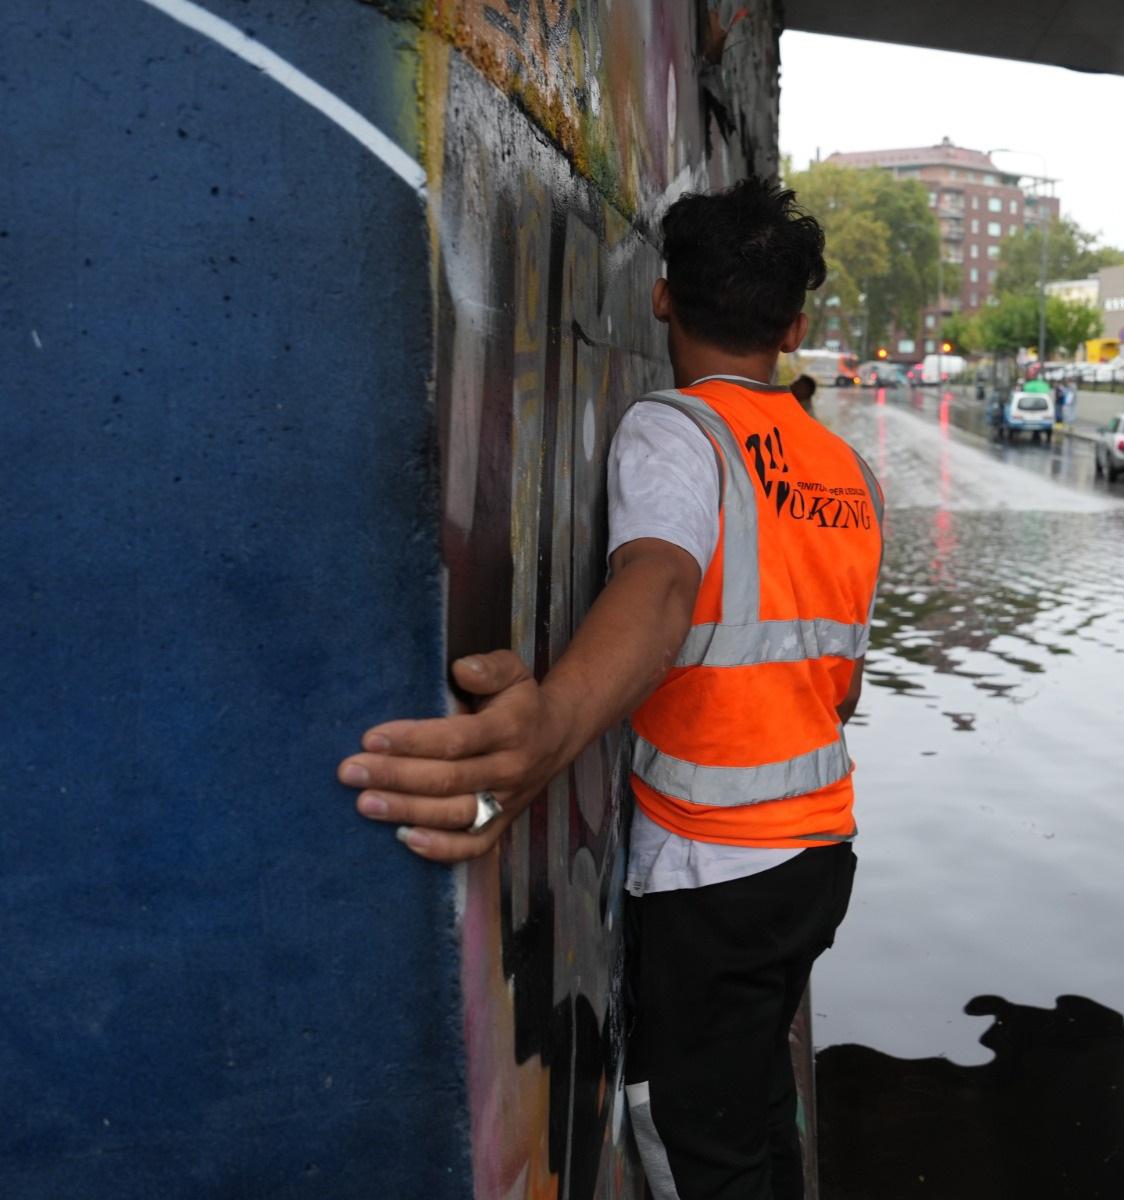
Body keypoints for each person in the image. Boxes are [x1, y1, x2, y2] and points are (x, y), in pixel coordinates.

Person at [336, 177, 881, 1200]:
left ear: (662, 298)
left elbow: (661, 581)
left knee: (694, 1140)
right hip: (819, 854)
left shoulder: (677, 432)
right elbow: (838, 685)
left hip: (715, 872)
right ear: (795, 324)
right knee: (758, 1099)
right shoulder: (847, 470)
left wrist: (551, 722)